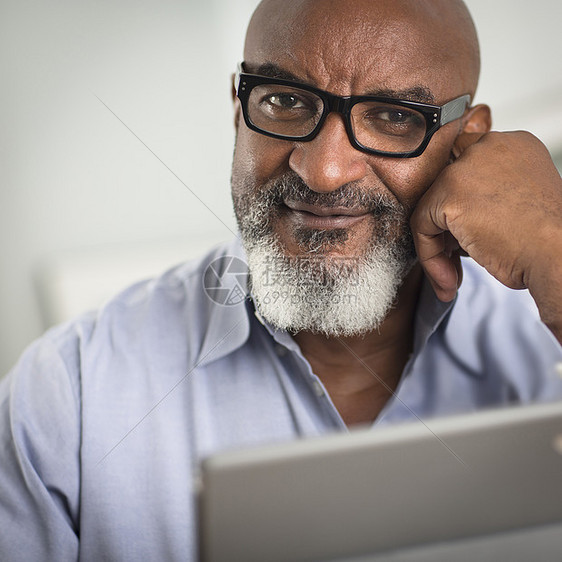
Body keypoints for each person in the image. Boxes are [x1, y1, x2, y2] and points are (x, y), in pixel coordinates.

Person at [1, 0, 561, 559]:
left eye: (394, 116)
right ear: (238, 110)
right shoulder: (65, 399)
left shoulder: (544, 345)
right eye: (285, 101)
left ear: (467, 143)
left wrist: (552, 250)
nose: (323, 171)